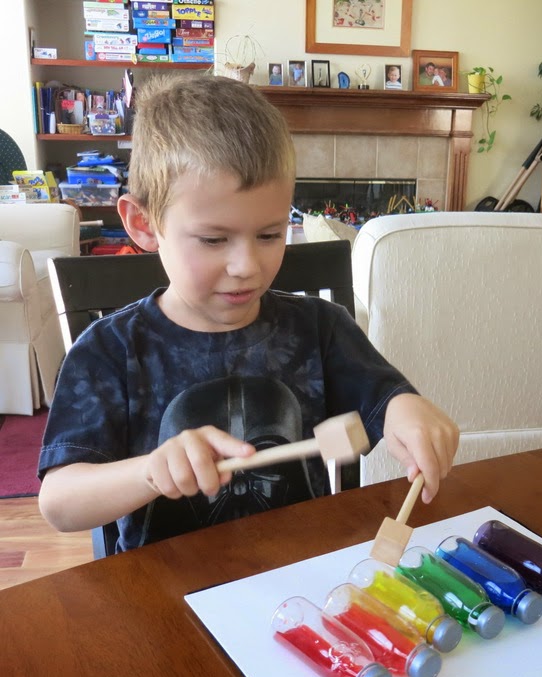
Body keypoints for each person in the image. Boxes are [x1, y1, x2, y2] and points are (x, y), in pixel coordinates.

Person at [38, 73, 459, 552]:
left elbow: (386, 400)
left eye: (269, 234)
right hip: (164, 594)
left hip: (297, 576)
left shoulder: (321, 329)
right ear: (144, 223)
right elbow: (59, 502)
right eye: (214, 239)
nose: (247, 266)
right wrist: (149, 473)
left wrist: (410, 411)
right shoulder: (109, 352)